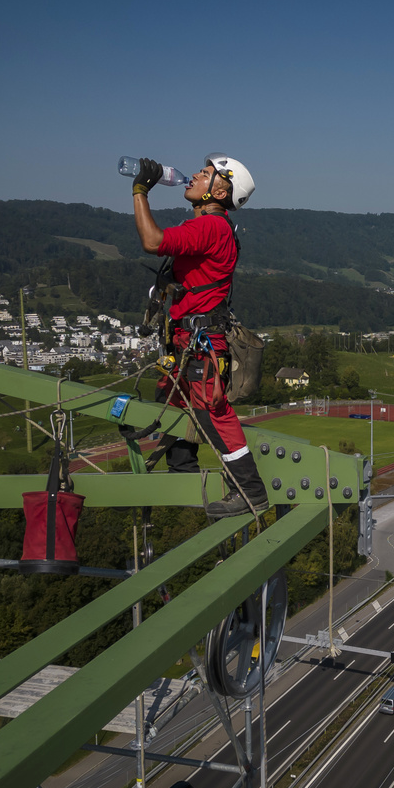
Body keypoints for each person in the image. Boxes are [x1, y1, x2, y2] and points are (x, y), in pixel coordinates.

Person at [133, 154, 268, 517]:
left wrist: (140, 190)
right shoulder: (209, 226)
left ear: (221, 190)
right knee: (172, 403)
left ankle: (250, 493)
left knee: (213, 413)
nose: (194, 174)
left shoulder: (212, 227)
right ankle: (185, 481)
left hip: (201, 342)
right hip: (186, 342)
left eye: (206, 173)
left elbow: (152, 240)